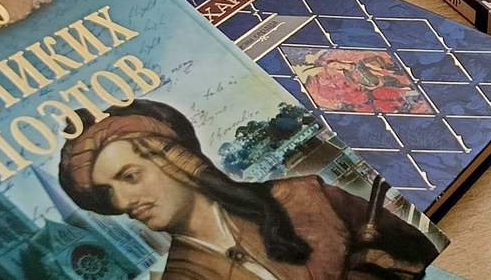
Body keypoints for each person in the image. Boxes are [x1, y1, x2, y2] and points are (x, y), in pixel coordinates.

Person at [59, 99, 439, 279]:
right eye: (107, 194)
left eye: (129, 177)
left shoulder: (305, 195)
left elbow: (420, 251)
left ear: (177, 160)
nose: (123, 202)